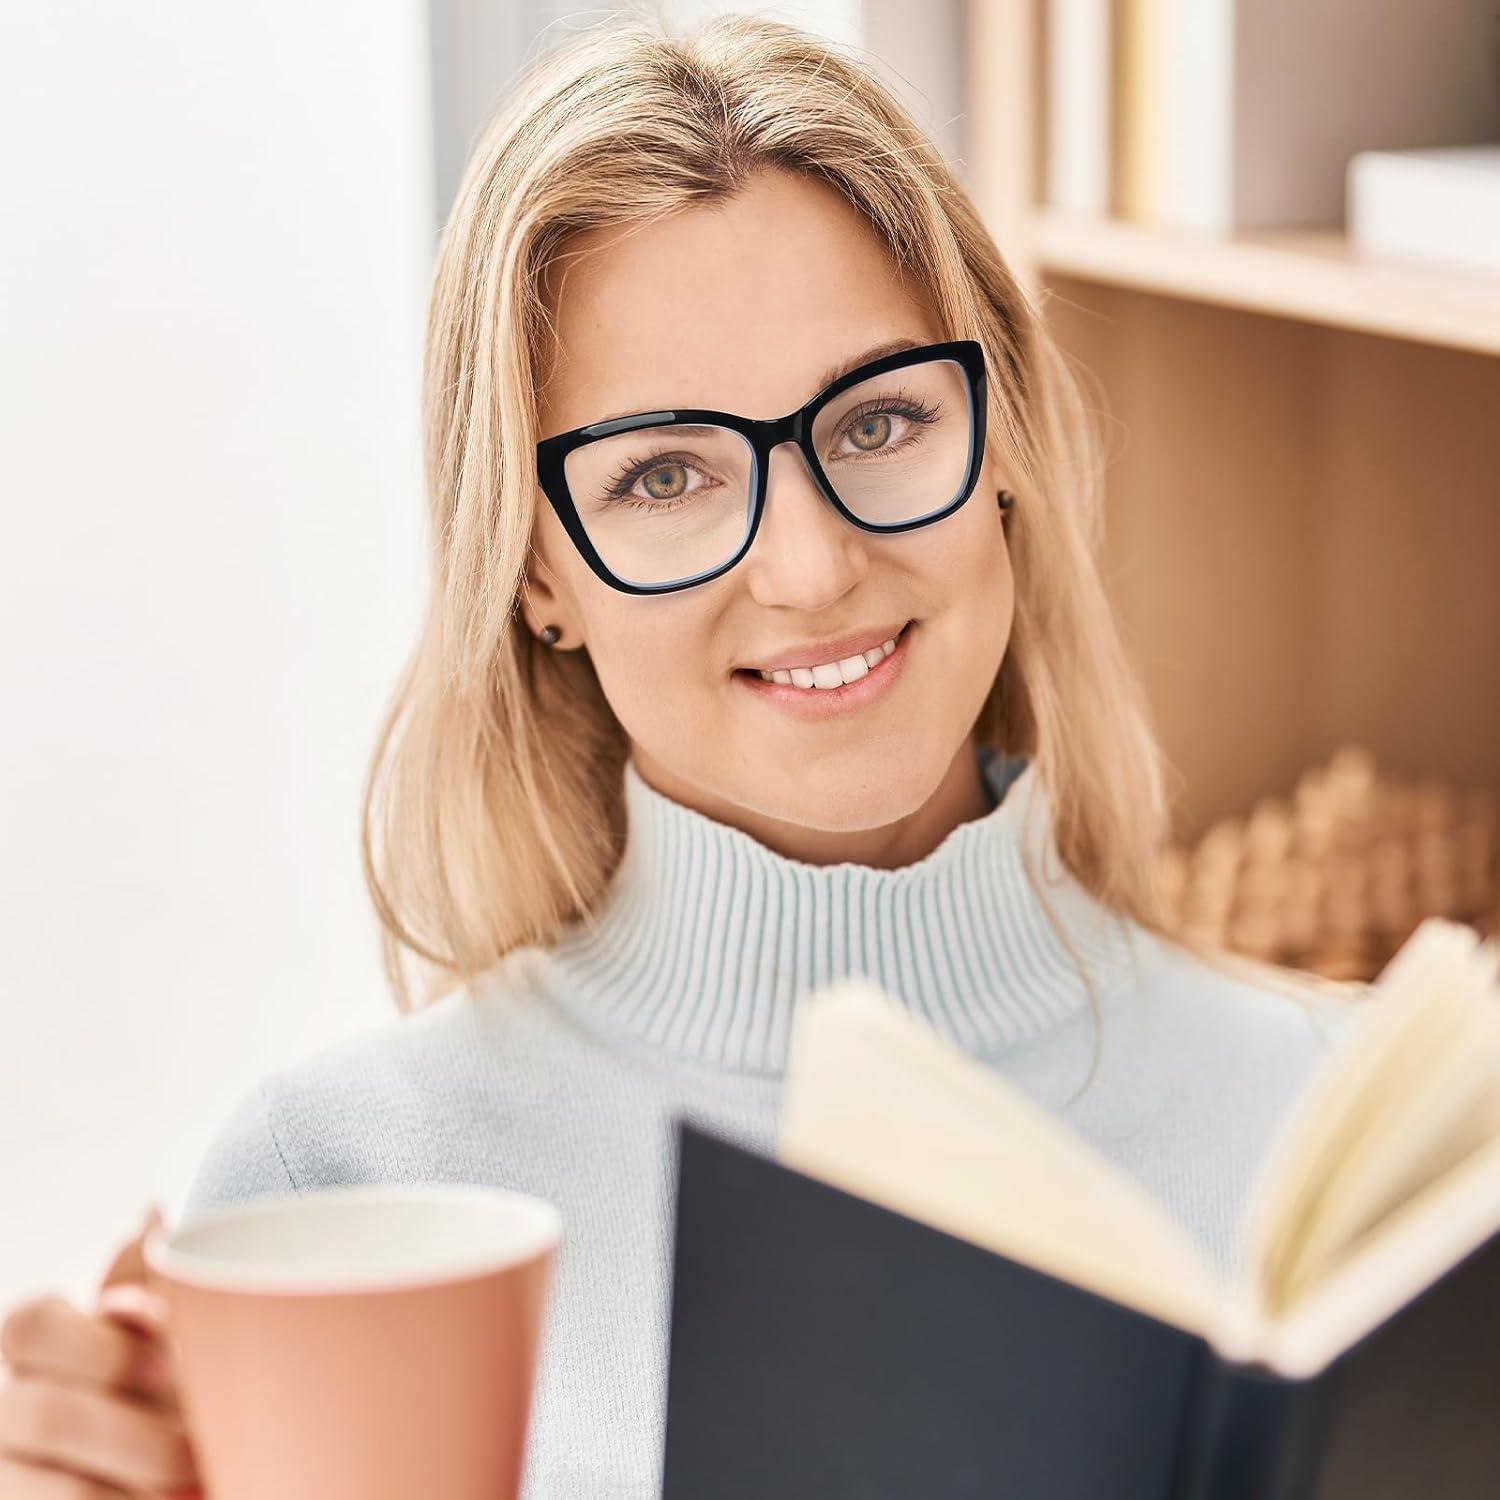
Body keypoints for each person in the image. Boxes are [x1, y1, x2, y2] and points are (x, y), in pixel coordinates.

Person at [0, 12, 1362, 1499]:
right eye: (663, 474)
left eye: (882, 419)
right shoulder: (342, 1191)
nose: (809, 565)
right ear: (536, 574)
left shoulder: (1343, 1126)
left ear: (1007, 442)